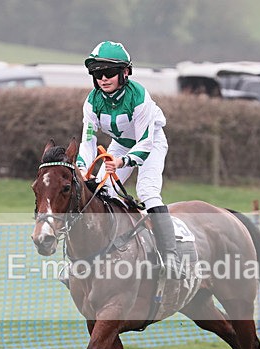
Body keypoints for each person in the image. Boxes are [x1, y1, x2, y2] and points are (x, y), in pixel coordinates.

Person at [76, 40, 185, 279]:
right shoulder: (92, 102)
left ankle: (171, 257)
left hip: (151, 144)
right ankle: (99, 256)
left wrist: (123, 163)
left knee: (147, 191)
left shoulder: (139, 97)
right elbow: (87, 142)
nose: (103, 78)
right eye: (96, 73)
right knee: (102, 192)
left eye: (109, 72)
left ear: (125, 72)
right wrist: (83, 169)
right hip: (121, 145)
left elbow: (144, 142)